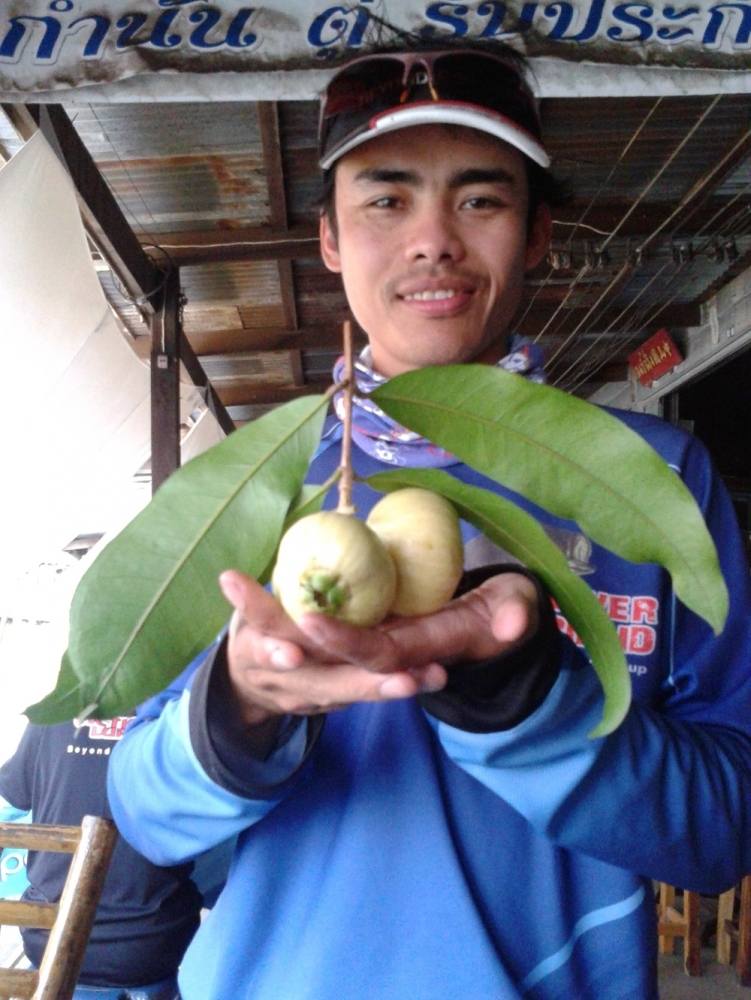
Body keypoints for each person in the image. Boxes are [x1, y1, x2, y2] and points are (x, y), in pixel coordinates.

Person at [106, 42, 751, 999]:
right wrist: (239, 707)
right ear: (328, 238)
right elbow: (143, 812)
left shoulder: (650, 481)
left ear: (535, 233)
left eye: (480, 199)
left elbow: (724, 825)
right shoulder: (237, 501)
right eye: (386, 199)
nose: (432, 241)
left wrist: (527, 699)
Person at [0, 708, 228, 999]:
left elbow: (10, 801)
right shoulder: (187, 715)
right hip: (148, 946)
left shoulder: (57, 708)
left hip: (46, 940)